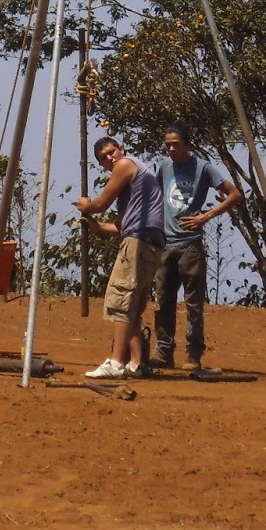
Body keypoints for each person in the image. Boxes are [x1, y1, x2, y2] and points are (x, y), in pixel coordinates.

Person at [152, 124, 242, 369]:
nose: (171, 148)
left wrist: (206, 216)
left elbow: (234, 194)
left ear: (188, 144)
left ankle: (193, 354)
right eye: (167, 144)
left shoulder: (203, 168)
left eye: (176, 144)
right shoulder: (163, 167)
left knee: (193, 301)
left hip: (190, 245)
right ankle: (164, 351)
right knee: (164, 299)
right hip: (166, 242)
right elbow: (154, 196)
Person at [76, 136, 165, 379]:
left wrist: (87, 206)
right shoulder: (140, 178)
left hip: (138, 243)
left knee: (121, 299)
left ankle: (115, 363)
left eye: (111, 152)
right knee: (133, 307)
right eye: (104, 158)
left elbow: (101, 204)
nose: (110, 158)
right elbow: (124, 227)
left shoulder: (126, 165)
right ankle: (135, 364)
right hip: (150, 242)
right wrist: (96, 227)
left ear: (121, 150)